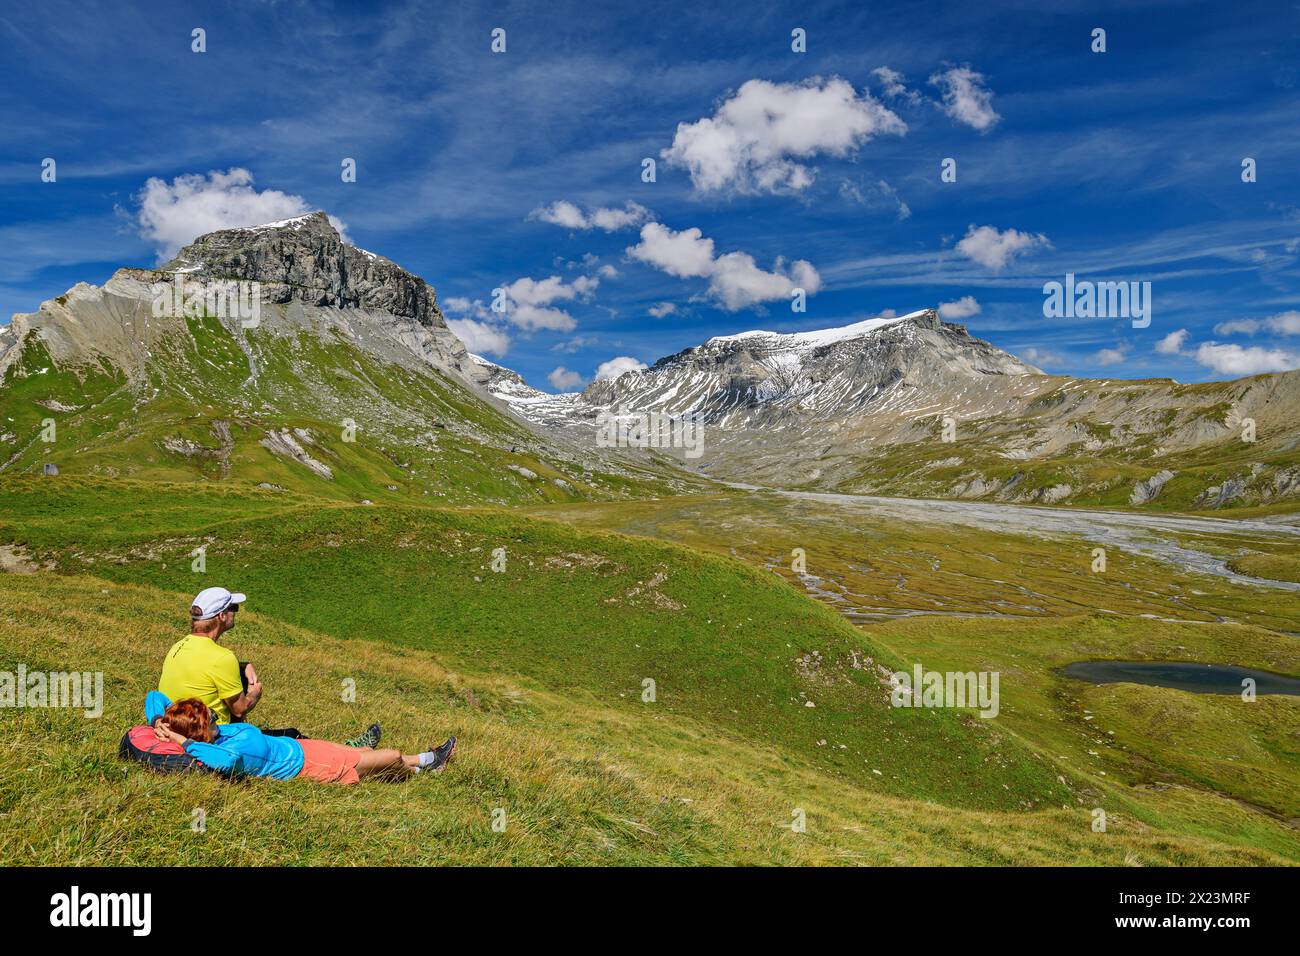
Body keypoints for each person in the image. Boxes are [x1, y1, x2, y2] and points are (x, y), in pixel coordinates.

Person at [157, 586, 380, 748]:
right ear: (222, 616)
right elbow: (240, 709)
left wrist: (243, 666)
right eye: (234, 607)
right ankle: (352, 751)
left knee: (283, 736)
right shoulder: (221, 657)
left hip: (180, 729)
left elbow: (202, 667)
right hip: (214, 735)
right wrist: (255, 693)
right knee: (291, 738)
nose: (236, 611)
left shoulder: (178, 646)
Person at [146, 692, 456, 784]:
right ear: (199, 732)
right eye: (208, 718)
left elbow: (153, 695)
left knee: (364, 753)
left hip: (302, 748)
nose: (214, 715)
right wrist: (182, 743)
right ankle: (425, 762)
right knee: (392, 756)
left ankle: (421, 766)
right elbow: (227, 762)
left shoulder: (218, 734)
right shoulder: (227, 747)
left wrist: (159, 721)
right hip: (310, 763)